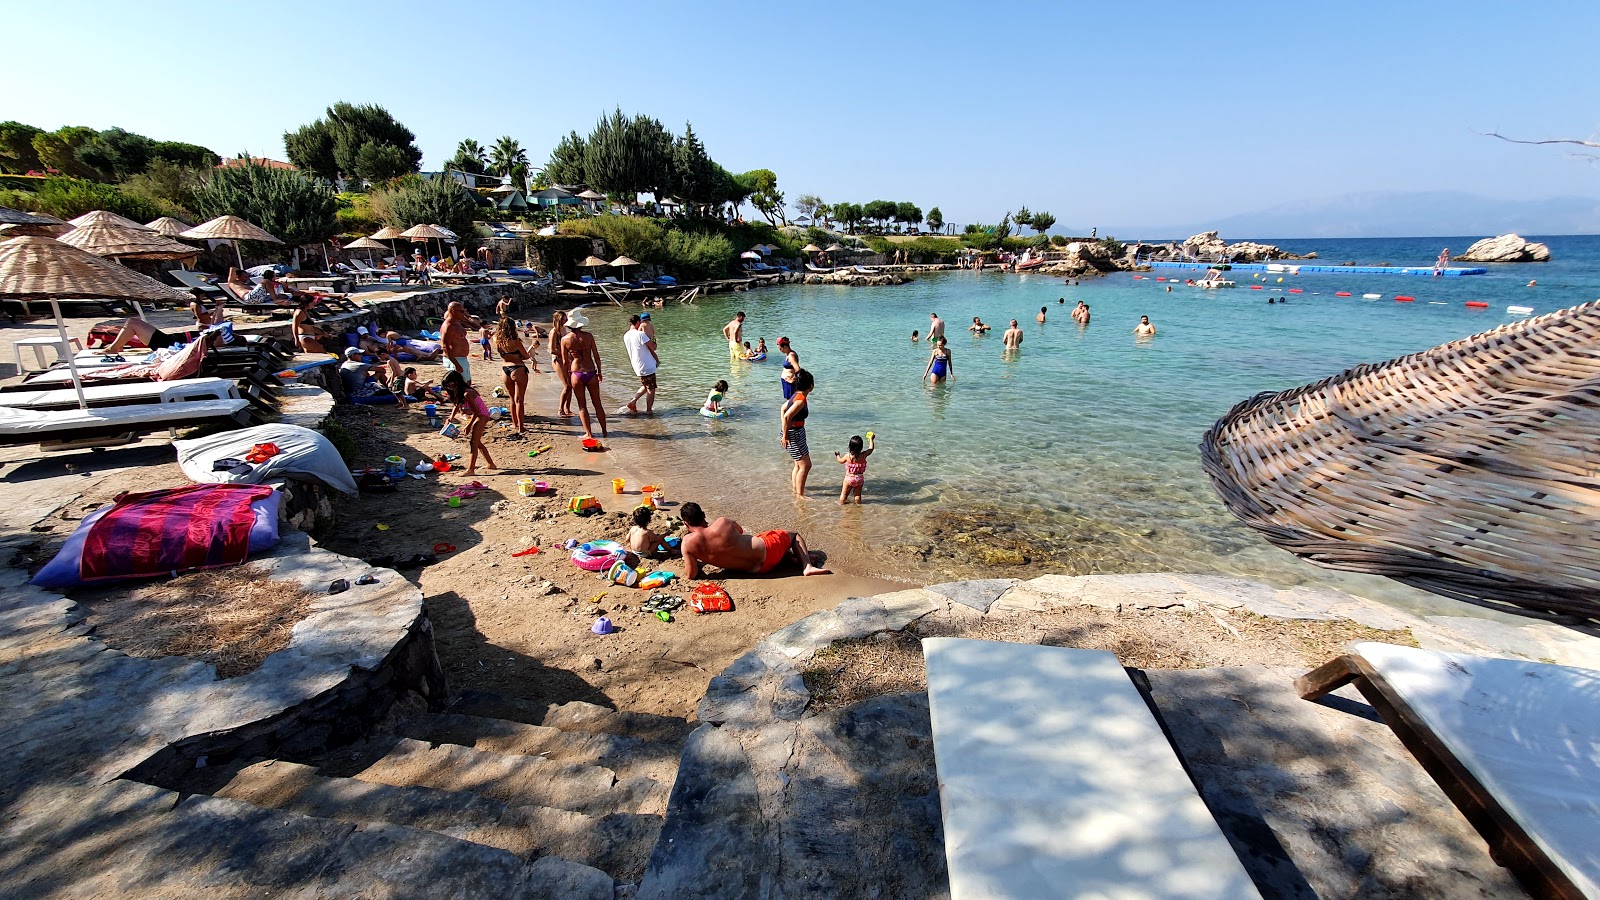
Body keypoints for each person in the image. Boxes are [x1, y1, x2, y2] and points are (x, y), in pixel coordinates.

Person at [678, 501, 831, 577]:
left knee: (757, 542)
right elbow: (740, 530)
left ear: (686, 523)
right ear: (703, 515)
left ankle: (791, 559)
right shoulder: (722, 522)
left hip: (755, 571)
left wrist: (703, 559)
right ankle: (807, 566)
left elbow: (691, 575)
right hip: (767, 553)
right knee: (793, 535)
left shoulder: (688, 544)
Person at [560, 309, 607, 439]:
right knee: (597, 403)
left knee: (582, 406)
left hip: (577, 373)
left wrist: (567, 377)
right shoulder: (589, 336)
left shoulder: (565, 339)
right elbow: (596, 356)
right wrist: (600, 371)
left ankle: (589, 434)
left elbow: (564, 362)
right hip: (591, 371)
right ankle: (604, 432)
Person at [441, 369, 496, 477]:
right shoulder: (460, 392)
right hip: (478, 415)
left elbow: (477, 412)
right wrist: (450, 417)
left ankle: (471, 470)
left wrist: (469, 425)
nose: (449, 388)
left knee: (473, 443)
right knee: (477, 442)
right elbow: (456, 405)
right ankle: (491, 464)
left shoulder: (467, 393)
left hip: (482, 415)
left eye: (449, 385)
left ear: (455, 383)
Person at [780, 368, 815, 496]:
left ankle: (796, 490)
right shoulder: (800, 400)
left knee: (798, 464)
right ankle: (800, 495)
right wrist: (785, 435)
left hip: (795, 432)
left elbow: (782, 408)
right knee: (806, 465)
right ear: (811, 386)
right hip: (793, 434)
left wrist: (784, 430)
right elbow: (787, 416)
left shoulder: (796, 395)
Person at [495, 317, 532, 433]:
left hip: (505, 368)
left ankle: (514, 424)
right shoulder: (516, 342)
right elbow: (526, 356)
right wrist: (519, 357)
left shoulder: (496, 339)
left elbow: (501, 354)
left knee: (512, 398)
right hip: (518, 368)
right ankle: (521, 427)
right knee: (519, 400)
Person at [619, 313, 658, 415]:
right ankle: (649, 411)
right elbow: (653, 347)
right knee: (651, 389)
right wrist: (653, 338)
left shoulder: (626, 335)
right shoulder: (640, 335)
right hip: (646, 365)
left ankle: (633, 401)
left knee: (646, 385)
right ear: (638, 322)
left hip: (637, 365)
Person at [835, 432, 876, 505]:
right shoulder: (863, 455)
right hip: (859, 479)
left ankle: (841, 505)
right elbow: (871, 449)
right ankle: (858, 506)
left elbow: (840, 461)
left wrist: (837, 455)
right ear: (861, 447)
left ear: (850, 446)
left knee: (844, 495)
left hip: (849, 478)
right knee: (857, 495)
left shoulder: (848, 456)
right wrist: (871, 439)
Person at [440, 300, 476, 381]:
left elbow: (475, 323)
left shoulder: (457, 322)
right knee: (460, 386)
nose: (464, 313)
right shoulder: (448, 326)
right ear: (453, 311)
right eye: (462, 311)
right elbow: (445, 346)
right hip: (455, 359)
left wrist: (467, 316)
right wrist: (456, 364)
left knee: (467, 383)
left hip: (462, 359)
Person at [547, 310, 572, 417]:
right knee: (567, 385)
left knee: (571, 385)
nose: (566, 320)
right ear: (559, 320)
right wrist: (564, 354)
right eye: (564, 319)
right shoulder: (554, 332)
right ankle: (560, 410)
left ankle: (567, 409)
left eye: (567, 319)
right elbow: (552, 349)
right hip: (557, 359)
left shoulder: (564, 329)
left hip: (565, 358)